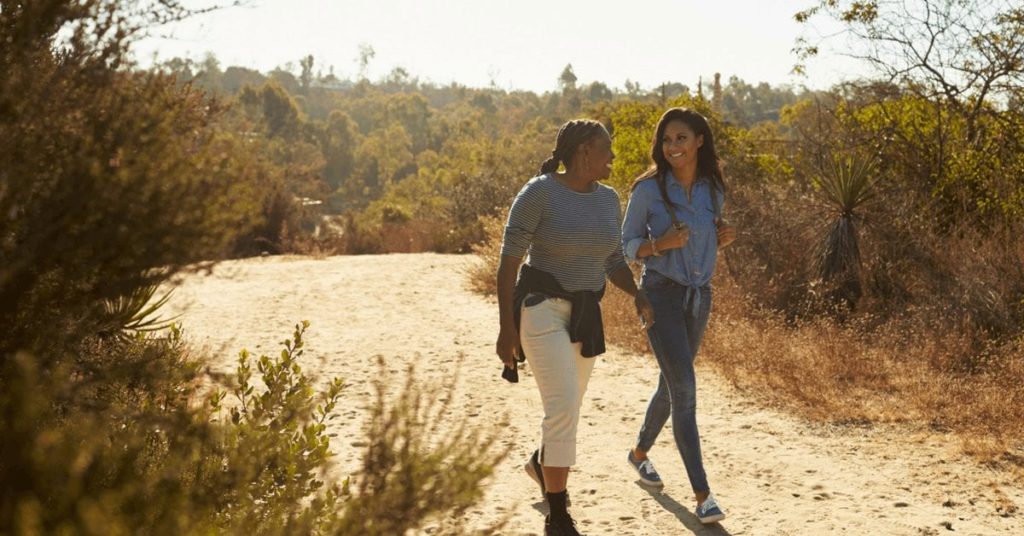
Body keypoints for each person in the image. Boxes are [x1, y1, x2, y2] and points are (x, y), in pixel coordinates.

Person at [496, 119, 651, 536]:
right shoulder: (539, 192)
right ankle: (559, 515)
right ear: (584, 151)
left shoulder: (608, 200)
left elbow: (613, 260)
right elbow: (510, 260)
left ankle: (539, 464)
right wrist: (506, 331)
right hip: (541, 308)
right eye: (607, 149)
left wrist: (636, 292)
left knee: (569, 409)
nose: (613, 158)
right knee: (563, 406)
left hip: (585, 314)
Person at [620, 107, 737, 525]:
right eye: (667, 140)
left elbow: (710, 235)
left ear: (699, 140)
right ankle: (703, 496)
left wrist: (722, 238)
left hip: (698, 298)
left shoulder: (712, 187)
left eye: (681, 138)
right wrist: (659, 245)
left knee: (671, 387)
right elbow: (626, 244)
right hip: (660, 296)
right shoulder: (649, 191)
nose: (673, 147)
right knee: (685, 390)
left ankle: (638, 455)